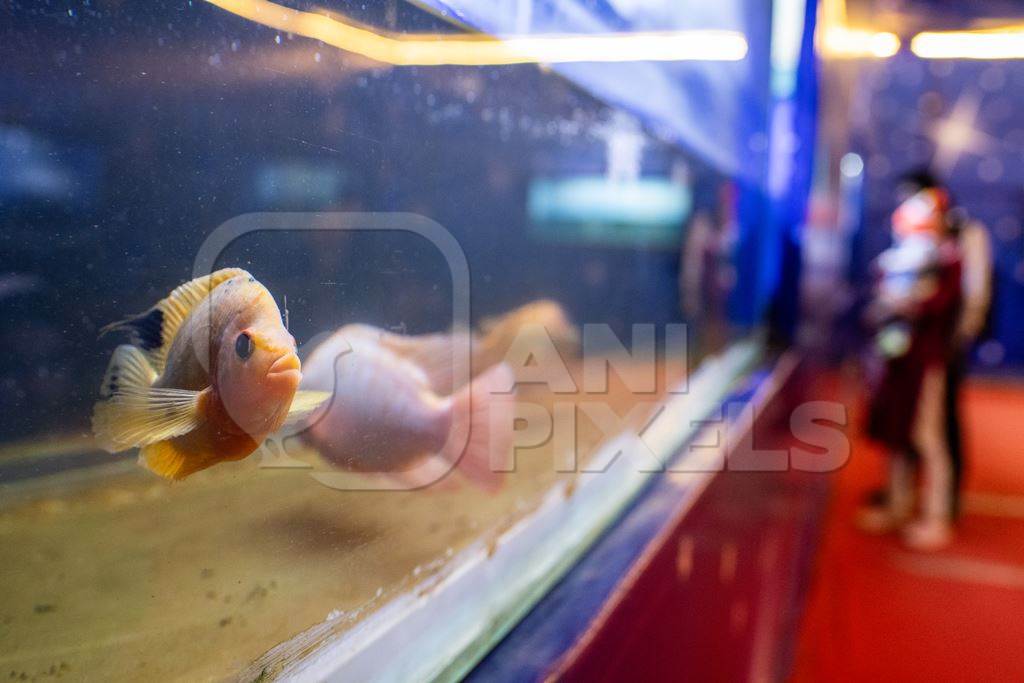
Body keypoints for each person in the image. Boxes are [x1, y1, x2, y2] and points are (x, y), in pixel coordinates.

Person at [859, 175, 963, 550]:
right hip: (896, 359)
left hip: (924, 361)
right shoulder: (901, 257)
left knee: (927, 437)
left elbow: (941, 304)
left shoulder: (947, 258)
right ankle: (898, 503)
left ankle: (936, 515)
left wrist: (907, 303)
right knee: (896, 434)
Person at [945, 205, 993, 516]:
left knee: (945, 418)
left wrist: (965, 331)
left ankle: (948, 501)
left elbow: (976, 289)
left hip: (948, 342)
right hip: (943, 342)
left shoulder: (969, 235)